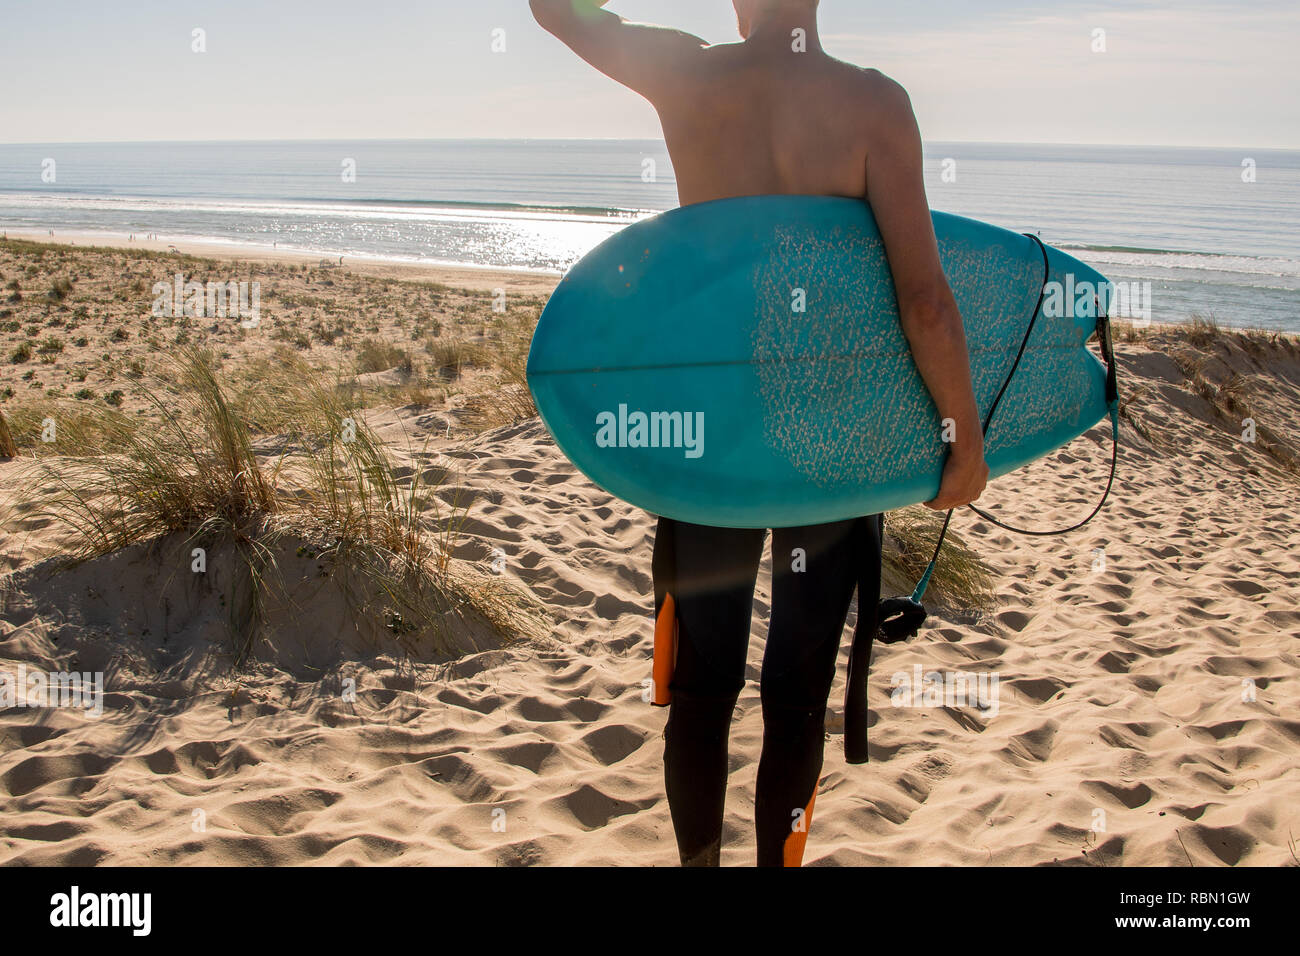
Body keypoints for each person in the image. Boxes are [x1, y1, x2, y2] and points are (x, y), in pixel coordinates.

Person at [532, 0, 988, 866]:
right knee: (798, 694)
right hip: (828, 455)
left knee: (704, 692)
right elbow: (925, 301)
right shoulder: (873, 106)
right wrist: (961, 438)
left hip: (712, 453)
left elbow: (559, 12)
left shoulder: (684, 74)